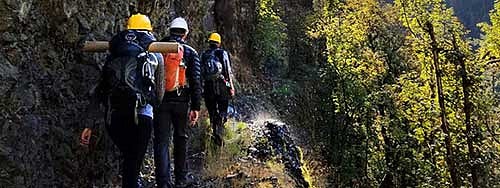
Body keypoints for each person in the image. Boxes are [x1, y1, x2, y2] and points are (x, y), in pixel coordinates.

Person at [80, 13, 165, 188]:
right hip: (142, 116)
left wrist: (89, 124)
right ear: (149, 32)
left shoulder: (114, 54)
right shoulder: (156, 56)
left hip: (115, 115)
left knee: (129, 160)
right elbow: (160, 91)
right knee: (133, 163)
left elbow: (100, 89)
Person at [154, 17, 202, 188]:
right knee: (181, 138)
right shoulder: (190, 52)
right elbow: (196, 81)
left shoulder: (157, 48)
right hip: (181, 102)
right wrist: (196, 106)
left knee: (161, 141)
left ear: (170, 30)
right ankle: (181, 179)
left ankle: (163, 182)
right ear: (185, 33)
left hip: (160, 101)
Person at [201, 32, 235, 147]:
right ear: (219, 43)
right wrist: (231, 87)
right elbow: (227, 70)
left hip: (208, 87)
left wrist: (201, 89)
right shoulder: (223, 53)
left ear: (209, 42)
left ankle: (215, 132)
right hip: (222, 87)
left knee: (212, 111)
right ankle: (220, 130)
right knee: (223, 110)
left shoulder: (204, 54)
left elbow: (200, 73)